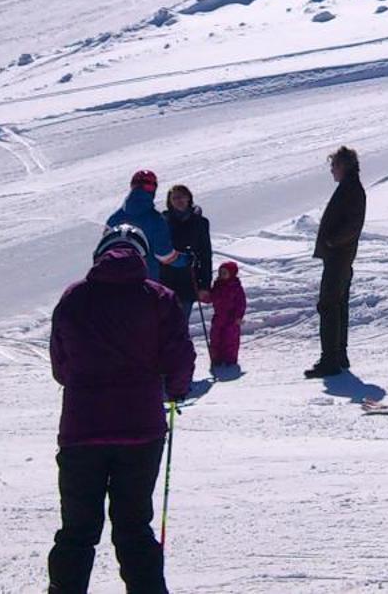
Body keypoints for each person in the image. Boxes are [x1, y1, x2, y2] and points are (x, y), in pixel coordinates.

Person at [48, 224, 194, 594]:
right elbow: (179, 357)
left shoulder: (74, 297)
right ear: (142, 256)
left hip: (82, 430)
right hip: (142, 430)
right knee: (133, 527)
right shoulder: (158, 297)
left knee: (77, 531)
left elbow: (61, 365)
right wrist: (173, 393)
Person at [307, 146, 365, 378]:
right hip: (340, 256)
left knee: (329, 306)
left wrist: (331, 241)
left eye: (334, 165)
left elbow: (353, 225)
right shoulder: (350, 187)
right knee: (337, 305)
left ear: (344, 166)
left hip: (338, 257)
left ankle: (330, 359)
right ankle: (338, 355)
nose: (332, 170)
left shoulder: (351, 189)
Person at [107, 171, 183, 284]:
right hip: (145, 282)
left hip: (114, 280)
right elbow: (164, 255)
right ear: (153, 190)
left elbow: (105, 250)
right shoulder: (156, 219)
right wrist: (184, 260)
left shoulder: (114, 218)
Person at [161, 185, 213, 307]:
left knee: (181, 321)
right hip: (165, 279)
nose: (179, 200)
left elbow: (205, 254)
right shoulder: (162, 222)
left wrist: (205, 285)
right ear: (170, 202)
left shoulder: (200, 222)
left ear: (188, 198)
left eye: (182, 197)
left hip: (189, 278)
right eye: (175, 198)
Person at [207, 261, 246, 370]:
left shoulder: (236, 287)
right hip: (218, 316)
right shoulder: (217, 285)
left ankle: (230, 359)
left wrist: (239, 316)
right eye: (220, 272)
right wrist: (206, 297)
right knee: (215, 337)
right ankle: (216, 358)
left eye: (225, 272)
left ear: (232, 273)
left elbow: (241, 303)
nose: (221, 275)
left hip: (231, 318)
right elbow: (212, 297)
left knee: (230, 339)